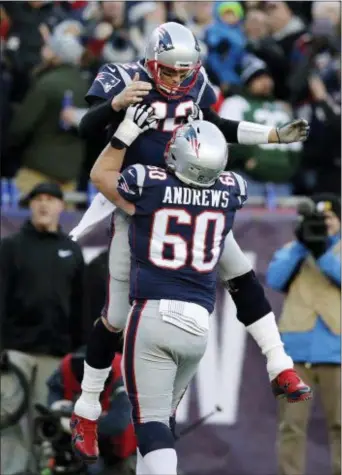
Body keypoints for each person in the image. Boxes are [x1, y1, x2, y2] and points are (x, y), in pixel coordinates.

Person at [70, 22, 311, 461]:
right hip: (135, 202)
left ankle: (281, 366)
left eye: (186, 71)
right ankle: (86, 407)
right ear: (150, 58)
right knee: (117, 318)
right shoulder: (124, 78)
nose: (178, 80)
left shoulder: (196, 84)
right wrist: (115, 107)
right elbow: (86, 129)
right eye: (170, 71)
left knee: (242, 275)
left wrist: (272, 135)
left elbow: (218, 125)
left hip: (189, 195)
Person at [0, 182, 85, 474]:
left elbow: (79, 306)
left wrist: (78, 351)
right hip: (13, 351)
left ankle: (42, 471)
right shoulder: (10, 247)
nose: (44, 205)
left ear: (61, 206)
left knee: (47, 424)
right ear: (30, 206)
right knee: (7, 420)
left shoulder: (71, 251)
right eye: (37, 199)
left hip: (54, 354)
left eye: (50, 199)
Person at [266, 193, 341, 475]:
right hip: (296, 353)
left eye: (330, 219)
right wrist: (301, 245)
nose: (324, 224)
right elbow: (274, 278)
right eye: (318, 219)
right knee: (291, 425)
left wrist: (322, 252)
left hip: (337, 350)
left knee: (340, 424)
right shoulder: (294, 249)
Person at [219, 54, 302, 196]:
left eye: (267, 77)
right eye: (258, 78)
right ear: (248, 82)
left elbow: (296, 146)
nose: (265, 82)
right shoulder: (236, 103)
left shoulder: (281, 107)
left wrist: (289, 170)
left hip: (282, 182)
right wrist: (245, 160)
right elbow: (226, 138)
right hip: (248, 179)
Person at [47, 348, 137, 475]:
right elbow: (54, 393)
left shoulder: (124, 374)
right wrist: (56, 408)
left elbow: (118, 423)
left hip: (118, 441)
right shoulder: (66, 366)